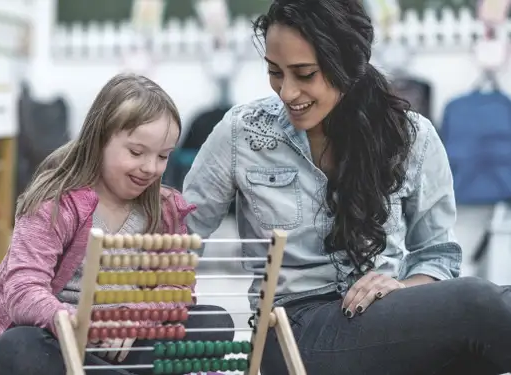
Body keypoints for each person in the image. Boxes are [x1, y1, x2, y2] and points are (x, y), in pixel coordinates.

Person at [182, 1, 511, 374]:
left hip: (385, 320)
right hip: (290, 332)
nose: (287, 92)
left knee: (473, 357)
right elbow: (181, 234)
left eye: (304, 74)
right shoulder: (244, 132)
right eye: (275, 72)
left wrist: (402, 288)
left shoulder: (412, 137)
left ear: (348, 65)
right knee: (480, 307)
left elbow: (437, 256)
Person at [0, 73, 234, 375]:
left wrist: (134, 318)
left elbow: (177, 287)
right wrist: (77, 321)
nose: (150, 168)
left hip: (129, 344)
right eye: (136, 152)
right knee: (16, 348)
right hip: (58, 340)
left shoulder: (165, 208)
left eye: (163, 156)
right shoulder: (55, 202)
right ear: (100, 139)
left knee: (213, 323)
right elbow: (23, 288)